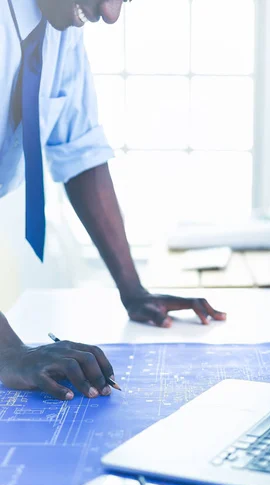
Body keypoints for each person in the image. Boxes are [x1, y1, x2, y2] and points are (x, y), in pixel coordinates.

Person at [0, 0, 226, 401]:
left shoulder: (61, 29)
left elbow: (80, 150)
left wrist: (132, 289)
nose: (110, 14)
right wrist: (6, 350)